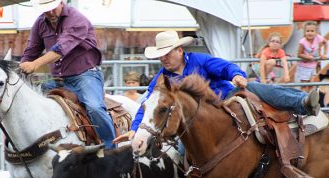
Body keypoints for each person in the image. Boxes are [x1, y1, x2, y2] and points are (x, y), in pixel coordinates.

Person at [113, 30, 320, 144]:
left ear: (179, 50)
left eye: (167, 53)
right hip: (197, 120)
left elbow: (226, 67)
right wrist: (133, 130)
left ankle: (301, 102)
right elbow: (147, 105)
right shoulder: (160, 80)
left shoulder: (199, 60)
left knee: (256, 88)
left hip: (225, 98)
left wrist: (237, 75)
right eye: (161, 55)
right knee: (185, 149)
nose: (164, 59)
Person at [19, 0, 116, 149]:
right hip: (60, 80)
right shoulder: (40, 22)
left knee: (94, 107)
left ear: (61, 3)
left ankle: (111, 148)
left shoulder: (77, 19)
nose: (50, 12)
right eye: (46, 10)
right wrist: (22, 68)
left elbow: (60, 49)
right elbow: (31, 51)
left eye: (52, 8)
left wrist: (33, 65)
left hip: (86, 76)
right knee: (30, 102)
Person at [296, 21, 327, 92]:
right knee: (304, 84)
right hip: (304, 65)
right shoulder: (302, 42)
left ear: (316, 32)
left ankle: (309, 99)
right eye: (307, 31)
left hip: (313, 65)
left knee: (312, 83)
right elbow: (299, 54)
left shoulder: (318, 38)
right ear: (304, 32)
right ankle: (303, 99)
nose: (310, 33)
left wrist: (324, 53)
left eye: (312, 31)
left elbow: (325, 43)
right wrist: (308, 57)